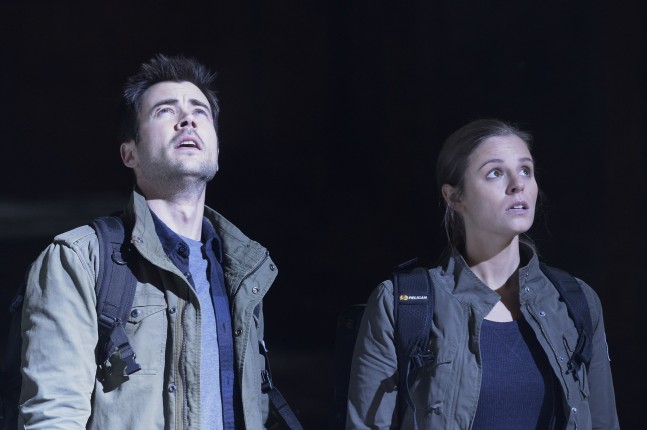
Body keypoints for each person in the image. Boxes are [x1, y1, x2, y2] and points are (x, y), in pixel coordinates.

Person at [19, 54, 281, 429]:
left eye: (200, 112)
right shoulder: (79, 259)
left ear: (216, 150)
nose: (188, 120)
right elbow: (53, 416)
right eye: (165, 111)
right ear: (130, 153)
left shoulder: (245, 272)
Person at [346, 119, 619, 429]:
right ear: (454, 197)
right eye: (495, 173)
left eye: (525, 170)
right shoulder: (401, 305)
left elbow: (604, 423)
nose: (517, 185)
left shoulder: (576, 302)